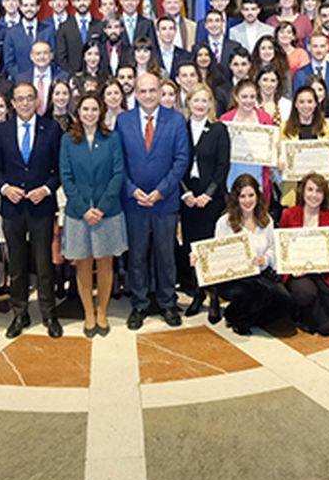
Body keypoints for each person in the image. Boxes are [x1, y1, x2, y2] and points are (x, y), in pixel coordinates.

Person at [116, 71, 191, 329]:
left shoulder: (176, 120)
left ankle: (168, 302)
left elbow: (181, 160)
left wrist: (161, 190)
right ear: (135, 94)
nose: (148, 96)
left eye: (152, 90)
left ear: (160, 92)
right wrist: (131, 189)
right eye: (143, 91)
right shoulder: (123, 121)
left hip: (165, 201)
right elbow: (119, 161)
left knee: (165, 254)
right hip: (134, 201)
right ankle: (139, 304)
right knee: (137, 255)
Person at [0, 82, 64, 338]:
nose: (24, 103)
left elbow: (59, 169)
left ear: (37, 101)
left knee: (44, 263)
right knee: (17, 265)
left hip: (41, 206)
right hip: (12, 207)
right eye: (20, 99)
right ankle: (19, 313)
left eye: (29, 98)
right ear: (12, 103)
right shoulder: (2, 131)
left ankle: (49, 314)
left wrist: (46, 189)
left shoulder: (52, 128)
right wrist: (5, 188)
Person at [60, 91, 129, 337]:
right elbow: (66, 177)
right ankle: (88, 313)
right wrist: (83, 208)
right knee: (83, 263)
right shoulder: (68, 140)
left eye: (94, 109)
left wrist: (101, 207)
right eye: (85, 109)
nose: (89, 114)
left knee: (105, 262)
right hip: (78, 214)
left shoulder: (112, 139)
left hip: (107, 212)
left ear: (101, 112)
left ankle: (102, 311)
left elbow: (118, 174)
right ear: (78, 112)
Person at [207, 174, 290, 335]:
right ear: (235, 198)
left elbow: (273, 248)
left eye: (251, 195)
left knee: (284, 300)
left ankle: (243, 318)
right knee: (255, 292)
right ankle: (236, 317)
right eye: (242, 196)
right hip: (234, 277)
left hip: (260, 272)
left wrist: (265, 259)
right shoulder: (224, 222)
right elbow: (216, 253)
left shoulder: (266, 220)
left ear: (257, 196)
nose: (247, 200)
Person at [178, 86, 229, 319]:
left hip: (212, 199)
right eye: (195, 100)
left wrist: (208, 194)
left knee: (211, 248)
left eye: (204, 100)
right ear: (188, 103)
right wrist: (187, 194)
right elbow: (176, 164)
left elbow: (222, 166)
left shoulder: (219, 129)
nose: (200, 104)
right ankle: (197, 293)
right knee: (192, 247)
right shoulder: (181, 129)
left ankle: (215, 295)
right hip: (188, 199)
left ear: (211, 103)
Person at [277, 172, 329, 334]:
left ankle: (309, 313)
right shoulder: (289, 215)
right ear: (302, 191)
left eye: (318, 191)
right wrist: (291, 269)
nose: (314, 195)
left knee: (328, 328)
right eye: (310, 190)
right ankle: (300, 310)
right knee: (305, 293)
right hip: (298, 273)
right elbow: (282, 250)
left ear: (324, 194)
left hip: (321, 274)